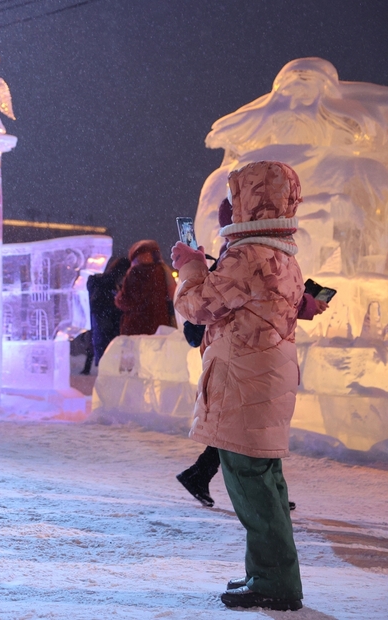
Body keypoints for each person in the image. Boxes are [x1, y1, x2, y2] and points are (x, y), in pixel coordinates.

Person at [172, 161, 306, 611]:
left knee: (252, 486)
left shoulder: (247, 255)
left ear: (254, 202)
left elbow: (197, 307)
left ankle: (274, 582)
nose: (227, 208)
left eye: (234, 199)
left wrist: (190, 267)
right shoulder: (282, 253)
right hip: (265, 376)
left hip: (246, 380)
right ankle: (268, 573)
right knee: (266, 481)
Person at [115, 240, 176, 336]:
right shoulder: (163, 270)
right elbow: (173, 295)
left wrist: (118, 298)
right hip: (160, 324)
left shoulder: (134, 272)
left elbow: (127, 301)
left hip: (136, 326)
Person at [87, 256, 131, 366]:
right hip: (107, 320)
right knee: (109, 350)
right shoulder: (109, 282)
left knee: (104, 351)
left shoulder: (104, 280)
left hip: (102, 319)